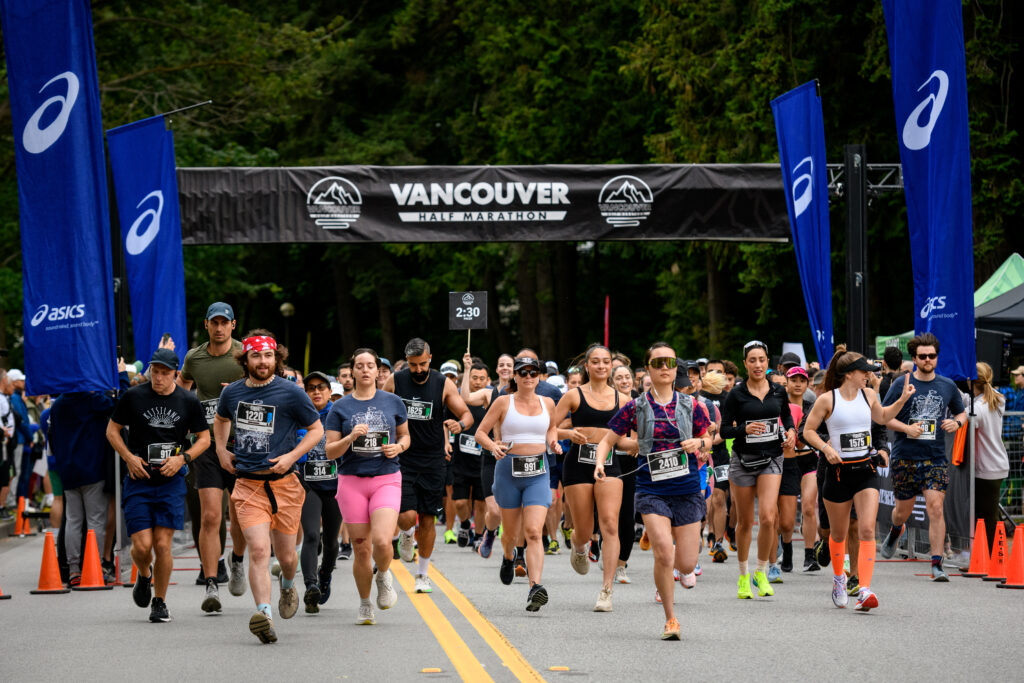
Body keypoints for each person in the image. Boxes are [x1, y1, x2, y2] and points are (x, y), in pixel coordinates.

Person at [214, 330, 324, 643]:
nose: (263, 362)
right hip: (248, 484)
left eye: (268, 356)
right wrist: (221, 449)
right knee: (260, 550)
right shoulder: (232, 393)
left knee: (287, 558)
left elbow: (316, 430)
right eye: (256, 356)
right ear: (244, 359)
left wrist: (291, 456)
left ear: (276, 358)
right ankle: (264, 615)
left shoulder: (290, 393)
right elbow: (221, 420)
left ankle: (288, 587)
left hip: (285, 485)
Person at [597, 342, 711, 640]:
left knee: (685, 562)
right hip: (651, 489)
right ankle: (671, 619)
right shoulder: (635, 406)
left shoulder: (691, 405)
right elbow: (609, 439)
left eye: (669, 363)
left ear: (676, 369)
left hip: (686, 489)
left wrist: (699, 444)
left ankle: (666, 540)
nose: (664, 368)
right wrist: (599, 462)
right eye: (657, 363)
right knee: (663, 551)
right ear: (647, 368)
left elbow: (708, 437)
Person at [802, 350, 914, 610]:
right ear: (849, 373)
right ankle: (839, 579)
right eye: (864, 371)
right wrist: (826, 449)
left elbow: (883, 418)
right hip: (838, 473)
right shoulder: (827, 400)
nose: (868, 375)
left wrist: (903, 400)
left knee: (866, 530)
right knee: (839, 534)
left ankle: (864, 589)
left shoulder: (869, 395)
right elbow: (808, 430)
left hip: (865, 471)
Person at [106, 348, 210, 622]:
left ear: (176, 373)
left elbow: (205, 438)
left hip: (171, 481)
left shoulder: (188, 400)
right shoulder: (134, 396)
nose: (158, 377)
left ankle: (160, 602)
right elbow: (112, 430)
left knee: (162, 545)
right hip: (139, 479)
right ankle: (144, 574)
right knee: (142, 546)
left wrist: (183, 459)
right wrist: (128, 457)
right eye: (155, 371)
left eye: (164, 372)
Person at [325, 348, 410, 625]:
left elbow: (405, 436)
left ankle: (383, 574)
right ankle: (364, 603)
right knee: (361, 546)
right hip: (352, 480)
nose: (364, 370)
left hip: (386, 476)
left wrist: (398, 447)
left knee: (383, 541)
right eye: (358, 366)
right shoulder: (340, 408)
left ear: (377, 370)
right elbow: (330, 452)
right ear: (352, 372)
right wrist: (350, 437)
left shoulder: (393, 401)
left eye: (369, 365)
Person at [384, 338, 473, 593]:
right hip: (403, 457)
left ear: (430, 358)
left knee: (429, 519)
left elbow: (465, 413)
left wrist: (461, 425)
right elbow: (379, 409)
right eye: (413, 365)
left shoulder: (442, 383)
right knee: (406, 516)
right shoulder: (395, 381)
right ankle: (406, 533)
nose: (419, 370)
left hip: (434, 459)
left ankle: (422, 574)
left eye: (422, 364)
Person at [474, 356, 561, 612]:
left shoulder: (548, 402)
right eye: (522, 372)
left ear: (539, 376)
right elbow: (481, 432)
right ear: (515, 376)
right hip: (508, 471)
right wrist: (493, 446)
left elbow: (552, 428)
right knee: (510, 533)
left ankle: (535, 587)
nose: (528, 377)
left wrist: (553, 442)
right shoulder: (503, 401)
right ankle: (509, 556)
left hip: (538, 470)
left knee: (534, 531)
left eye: (533, 372)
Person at [879, 333, 966, 581]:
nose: (928, 360)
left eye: (932, 356)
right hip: (905, 456)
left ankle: (936, 564)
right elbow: (884, 416)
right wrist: (907, 428)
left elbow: (962, 414)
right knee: (901, 512)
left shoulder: (947, 385)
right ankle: (897, 529)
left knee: (936, 508)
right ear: (914, 358)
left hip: (935, 457)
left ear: (937, 357)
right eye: (922, 356)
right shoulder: (901, 383)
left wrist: (956, 423)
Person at [553, 345, 631, 611]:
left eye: (605, 362)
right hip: (578, 464)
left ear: (611, 366)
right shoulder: (574, 396)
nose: (600, 366)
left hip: (610, 464)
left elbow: (627, 439)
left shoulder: (623, 399)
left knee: (610, 524)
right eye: (595, 362)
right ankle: (578, 546)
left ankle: (606, 590)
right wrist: (568, 434)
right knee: (585, 530)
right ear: (587, 366)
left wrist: (639, 445)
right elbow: (548, 428)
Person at [178, 302, 246, 607]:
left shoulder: (244, 354)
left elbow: (265, 385)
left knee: (241, 516)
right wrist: (180, 425)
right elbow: (181, 390)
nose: (219, 328)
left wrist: (239, 389)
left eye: (224, 323)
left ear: (233, 325)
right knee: (210, 515)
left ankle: (237, 560)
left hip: (242, 445)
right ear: (206, 325)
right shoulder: (194, 356)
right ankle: (210, 583)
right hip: (206, 443)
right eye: (214, 323)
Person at [721, 341, 796, 599]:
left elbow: (786, 417)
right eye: (752, 360)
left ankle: (761, 571)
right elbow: (724, 430)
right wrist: (744, 429)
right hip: (743, 461)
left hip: (772, 458)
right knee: (744, 522)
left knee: (767, 517)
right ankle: (743, 575)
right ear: (745, 363)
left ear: (767, 363)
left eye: (761, 360)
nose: (757, 364)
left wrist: (792, 432)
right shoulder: (736, 394)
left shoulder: (777, 391)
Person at [51, 360, 130, 586]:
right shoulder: (91, 400)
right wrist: (121, 376)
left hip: (67, 470)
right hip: (93, 469)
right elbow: (121, 406)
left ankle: (74, 569)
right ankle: (92, 567)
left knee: (73, 520)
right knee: (96, 520)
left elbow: (53, 439)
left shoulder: (58, 405)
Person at [296, 371, 342, 614]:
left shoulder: (339, 413)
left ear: (329, 390)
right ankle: (311, 586)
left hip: (335, 485)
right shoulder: (298, 414)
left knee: (331, 541)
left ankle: (325, 574)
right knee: (312, 535)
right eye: (311, 387)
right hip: (308, 484)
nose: (316, 392)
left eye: (321, 387)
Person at [774, 366, 817, 576]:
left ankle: (810, 555)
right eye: (794, 380)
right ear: (787, 383)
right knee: (785, 518)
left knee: (809, 507)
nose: (798, 384)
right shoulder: (778, 406)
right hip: (787, 461)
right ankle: (786, 547)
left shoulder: (813, 406)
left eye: (802, 380)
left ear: (808, 384)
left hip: (809, 460)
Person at [972, 361, 1010, 550]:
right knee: (990, 512)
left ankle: (989, 557)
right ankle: (990, 554)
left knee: (985, 516)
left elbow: (969, 418)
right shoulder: (997, 398)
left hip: (986, 467)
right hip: (997, 463)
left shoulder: (977, 408)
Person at [454, 354, 490, 550]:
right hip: (461, 459)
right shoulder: (461, 400)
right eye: (474, 378)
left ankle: (478, 536)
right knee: (460, 502)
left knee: (480, 503)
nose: (477, 382)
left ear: (488, 381)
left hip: (482, 460)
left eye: (481, 378)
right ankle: (465, 524)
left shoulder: (490, 401)